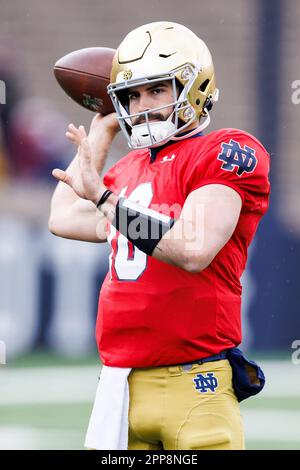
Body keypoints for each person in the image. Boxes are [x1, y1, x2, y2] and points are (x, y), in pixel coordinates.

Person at [48, 22, 270, 450]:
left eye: (156, 91)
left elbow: (192, 249)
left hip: (195, 385)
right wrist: (102, 130)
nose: (141, 105)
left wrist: (105, 200)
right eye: (131, 95)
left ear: (194, 88)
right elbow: (61, 217)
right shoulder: (128, 171)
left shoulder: (225, 150)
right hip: (120, 388)